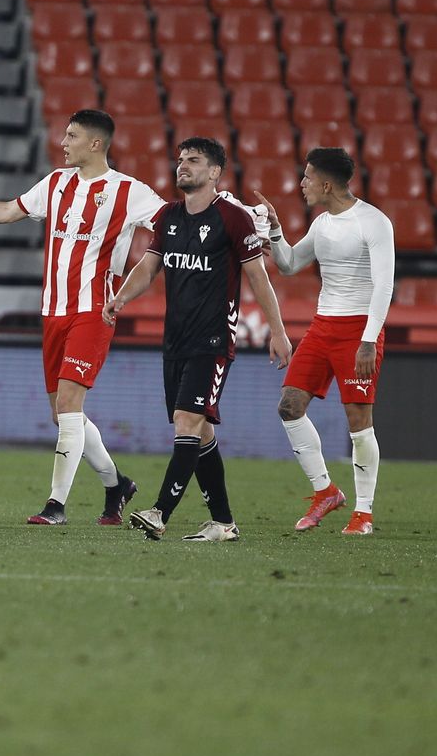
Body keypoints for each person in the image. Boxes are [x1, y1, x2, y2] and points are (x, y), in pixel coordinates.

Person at [0, 109, 156, 526]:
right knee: (63, 415)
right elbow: (8, 210)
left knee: (72, 404)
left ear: (95, 144)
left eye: (72, 135)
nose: (63, 141)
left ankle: (56, 505)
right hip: (53, 311)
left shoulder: (130, 192)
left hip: (94, 311)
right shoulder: (56, 183)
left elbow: (172, 225)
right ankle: (117, 485)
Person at [103, 138, 292, 541]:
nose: (183, 166)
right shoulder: (169, 217)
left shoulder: (232, 218)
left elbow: (258, 277)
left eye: (194, 160)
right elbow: (148, 266)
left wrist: (277, 331)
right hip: (175, 342)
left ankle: (159, 512)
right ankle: (223, 523)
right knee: (200, 431)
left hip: (212, 341)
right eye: (180, 160)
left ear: (215, 172)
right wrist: (120, 297)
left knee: (187, 421)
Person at [255, 147, 395, 536]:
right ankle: (326, 492)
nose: (302, 184)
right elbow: (288, 264)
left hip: (358, 331)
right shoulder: (321, 224)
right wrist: (277, 230)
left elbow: (384, 285)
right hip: (322, 327)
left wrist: (369, 340)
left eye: (307, 177)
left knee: (358, 423)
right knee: (289, 405)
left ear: (327, 183)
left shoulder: (374, 222)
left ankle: (363, 514)